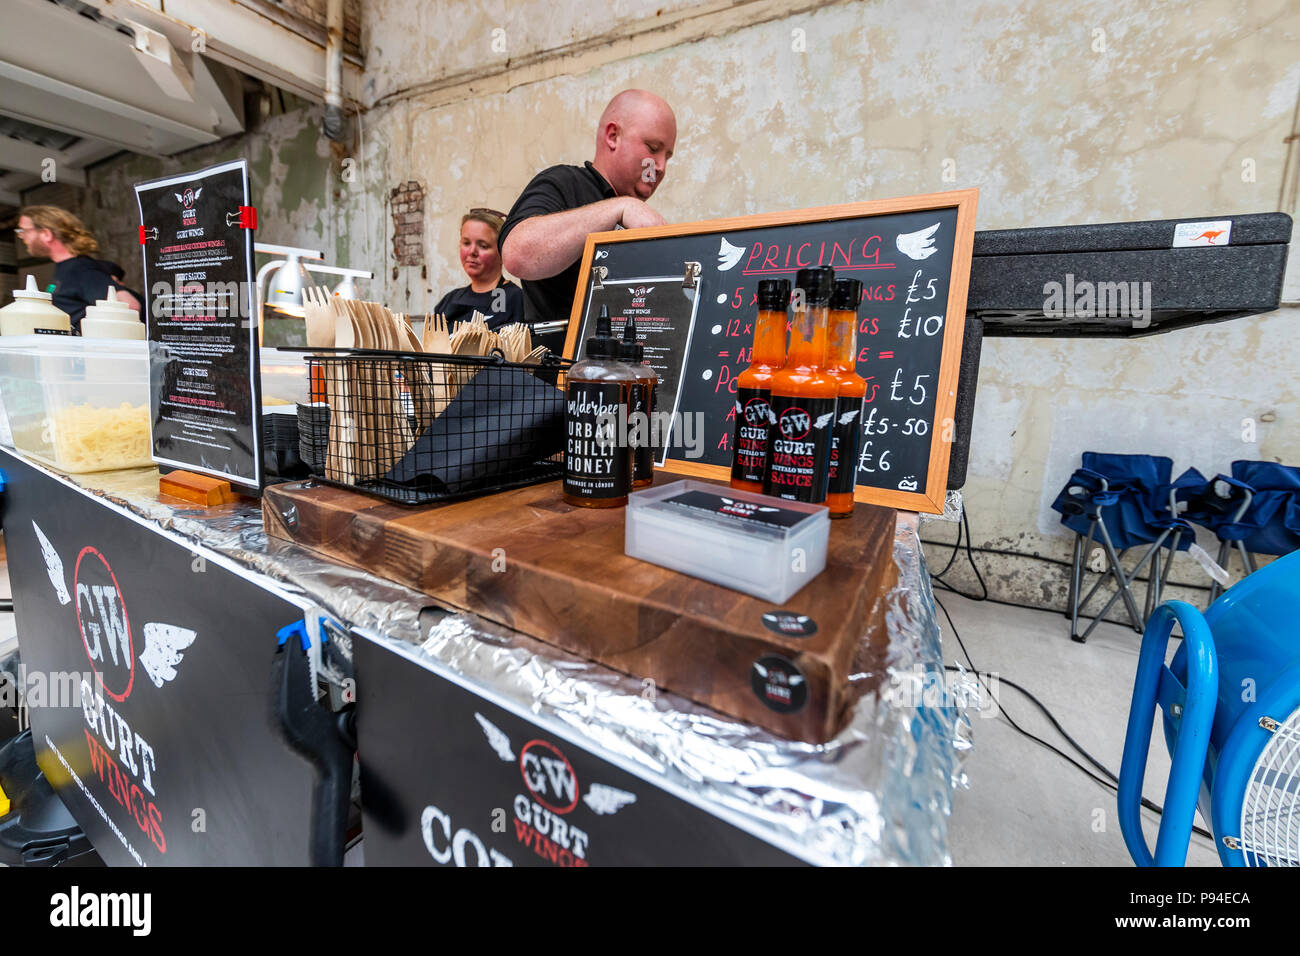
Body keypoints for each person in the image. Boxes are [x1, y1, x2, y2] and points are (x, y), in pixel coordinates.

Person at [498, 89, 677, 343]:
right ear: (613, 136)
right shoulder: (563, 183)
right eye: (653, 148)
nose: (660, 167)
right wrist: (619, 208)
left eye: (667, 156)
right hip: (561, 378)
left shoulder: (637, 213)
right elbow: (518, 255)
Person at [15, 205, 143, 331]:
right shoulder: (68, 268)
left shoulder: (80, 269)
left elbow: (129, 306)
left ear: (46, 234)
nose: (21, 236)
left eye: (23, 231)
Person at [432, 208, 524, 330]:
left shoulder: (515, 299)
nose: (472, 252)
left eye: (483, 246)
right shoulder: (449, 301)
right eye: (466, 243)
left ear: (502, 251)